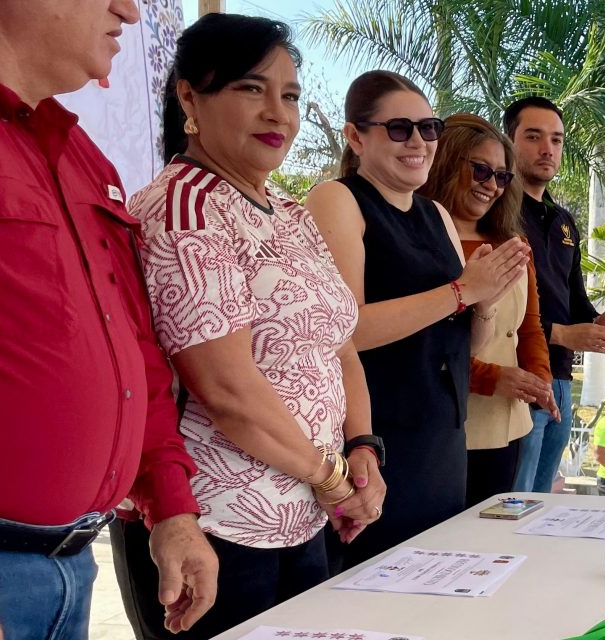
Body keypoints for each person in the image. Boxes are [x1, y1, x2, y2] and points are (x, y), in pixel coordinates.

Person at [117, 15, 387, 638]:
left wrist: (363, 450)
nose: (278, 113)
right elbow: (228, 391)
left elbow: (337, 343)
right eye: (250, 88)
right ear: (189, 97)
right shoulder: (183, 210)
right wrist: (332, 478)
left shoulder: (290, 210)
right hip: (216, 529)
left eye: (289, 95)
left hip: (308, 516)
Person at [0, 2, 218, 638]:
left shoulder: (83, 157)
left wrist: (171, 508)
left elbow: (132, 353)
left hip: (71, 564)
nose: (130, 11)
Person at [306, 70, 528, 571]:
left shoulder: (436, 214)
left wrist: (485, 299)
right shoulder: (337, 199)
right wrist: (461, 291)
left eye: (429, 128)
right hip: (377, 434)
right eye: (400, 128)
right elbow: (346, 330)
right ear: (356, 136)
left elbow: (464, 344)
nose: (419, 142)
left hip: (443, 434)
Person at [416, 113, 559, 506]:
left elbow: (529, 327)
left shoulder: (511, 241)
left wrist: (539, 382)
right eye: (481, 170)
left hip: (508, 425)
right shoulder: (420, 241)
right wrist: (491, 378)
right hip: (445, 427)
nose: (492, 186)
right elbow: (423, 345)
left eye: (502, 176)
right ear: (446, 162)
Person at [501, 97, 605, 493]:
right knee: (510, 501)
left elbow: (573, 298)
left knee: (538, 503)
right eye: (533, 136)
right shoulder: (496, 213)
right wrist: (560, 333)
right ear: (509, 142)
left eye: (557, 140)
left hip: (561, 380)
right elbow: (490, 307)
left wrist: (601, 323)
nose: (548, 149)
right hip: (518, 376)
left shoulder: (563, 221)